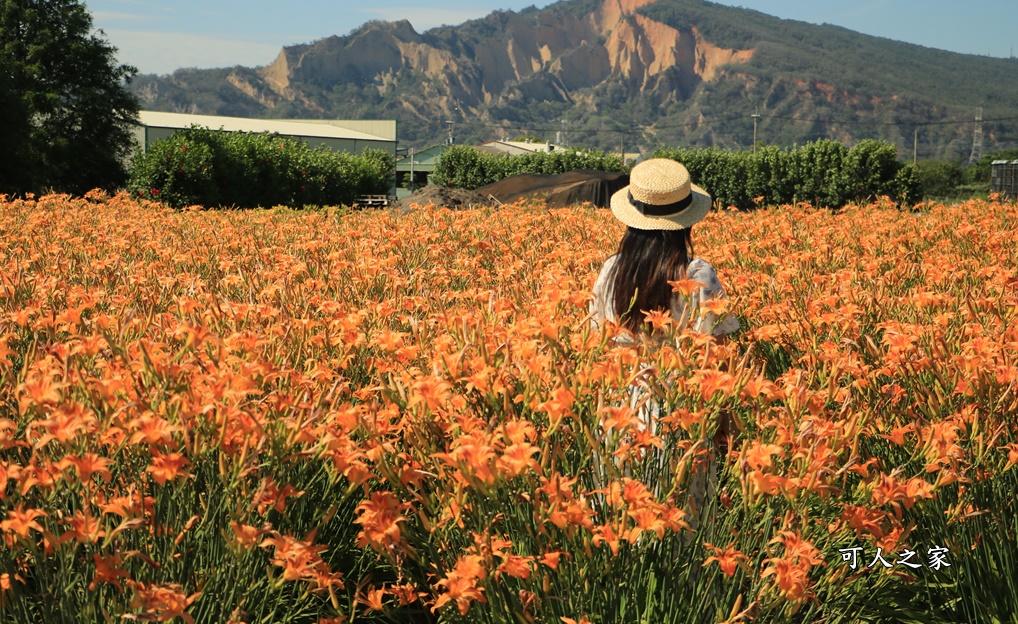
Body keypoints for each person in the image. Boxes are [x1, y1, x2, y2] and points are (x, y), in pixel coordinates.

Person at [589, 157, 739, 531]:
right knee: (680, 527)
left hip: (618, 411)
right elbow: (715, 359)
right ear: (685, 221)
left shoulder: (610, 269)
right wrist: (727, 430)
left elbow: (595, 346)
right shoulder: (696, 272)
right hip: (679, 413)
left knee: (625, 522)